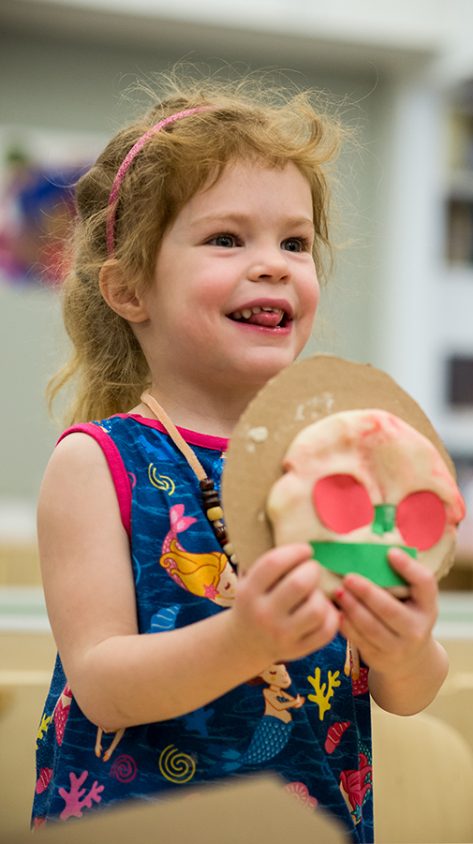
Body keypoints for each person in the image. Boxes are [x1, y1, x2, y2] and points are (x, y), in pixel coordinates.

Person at [32, 74, 448, 841]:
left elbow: (409, 693)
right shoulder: (99, 464)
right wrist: (245, 641)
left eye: (294, 241)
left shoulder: (343, 465)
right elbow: (102, 686)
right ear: (129, 290)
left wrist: (409, 645)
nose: (274, 263)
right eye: (228, 238)